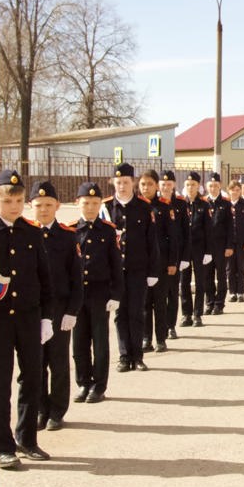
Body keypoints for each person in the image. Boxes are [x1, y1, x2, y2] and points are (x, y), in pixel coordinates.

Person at [0, 170, 55, 468]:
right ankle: (1, 445)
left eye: (19, 200)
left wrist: (47, 317)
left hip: (30, 317)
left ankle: (27, 439)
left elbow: (44, 278)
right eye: (8, 201)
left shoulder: (30, 231)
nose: (15, 207)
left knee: (32, 377)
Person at [29, 181, 83, 431]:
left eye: (48, 205)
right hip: (33, 309)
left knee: (58, 361)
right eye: (39, 205)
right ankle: (41, 409)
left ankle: (57, 411)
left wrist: (73, 310)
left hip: (60, 309)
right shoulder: (26, 234)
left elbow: (75, 278)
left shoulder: (68, 236)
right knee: (36, 363)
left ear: (58, 206)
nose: (43, 210)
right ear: (31, 206)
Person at [100, 163, 159, 372]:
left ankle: (138, 356)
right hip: (115, 272)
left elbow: (152, 242)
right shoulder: (106, 208)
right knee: (119, 314)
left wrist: (153, 271)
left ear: (132, 182)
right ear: (113, 183)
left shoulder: (144, 207)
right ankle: (124, 356)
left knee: (136, 312)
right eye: (118, 183)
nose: (122, 186)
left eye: (126, 182)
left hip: (137, 269)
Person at [70, 182, 123, 405]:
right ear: (77, 203)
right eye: (85, 203)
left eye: (94, 203)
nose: (90, 207)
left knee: (100, 342)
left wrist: (116, 294)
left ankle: (99, 386)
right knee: (79, 342)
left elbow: (116, 266)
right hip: (77, 294)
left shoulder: (108, 230)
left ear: (100, 203)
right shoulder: (71, 230)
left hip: (100, 293)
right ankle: (83, 382)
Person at [139, 169, 179, 353]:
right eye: (143, 184)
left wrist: (173, 262)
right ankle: (146, 338)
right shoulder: (136, 207)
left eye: (149, 184)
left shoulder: (164, 207)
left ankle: (161, 338)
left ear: (156, 186)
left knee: (160, 302)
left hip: (161, 263)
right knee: (145, 303)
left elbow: (173, 236)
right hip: (143, 264)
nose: (146, 187)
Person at [158, 170, 190, 340]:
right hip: (158, 256)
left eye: (169, 184)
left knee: (172, 293)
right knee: (157, 297)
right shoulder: (152, 203)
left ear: (173, 186)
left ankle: (170, 326)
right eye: (163, 184)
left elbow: (186, 232)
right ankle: (158, 328)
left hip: (175, 255)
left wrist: (185, 257)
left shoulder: (180, 204)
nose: (165, 187)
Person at [179, 171, 212, 327]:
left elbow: (208, 230)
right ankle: (186, 314)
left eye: (193, 185)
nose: (190, 187)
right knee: (184, 282)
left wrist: (208, 252)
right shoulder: (180, 205)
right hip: (184, 250)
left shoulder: (204, 205)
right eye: (187, 185)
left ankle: (197, 314)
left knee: (200, 281)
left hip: (200, 249)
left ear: (198, 186)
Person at [204, 172, 233, 315]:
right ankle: (209, 303)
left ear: (220, 186)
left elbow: (230, 227)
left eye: (216, 186)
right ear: (206, 186)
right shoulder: (203, 203)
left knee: (221, 276)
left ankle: (219, 304)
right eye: (210, 185)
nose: (213, 188)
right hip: (207, 248)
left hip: (221, 247)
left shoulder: (226, 204)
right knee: (207, 276)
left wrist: (229, 246)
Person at [226, 179, 244, 303]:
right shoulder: (226, 204)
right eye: (233, 190)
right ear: (229, 190)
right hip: (229, 243)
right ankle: (232, 292)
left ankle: (241, 292)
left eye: (238, 190)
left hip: (242, 242)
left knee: (240, 267)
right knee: (230, 268)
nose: (235, 192)